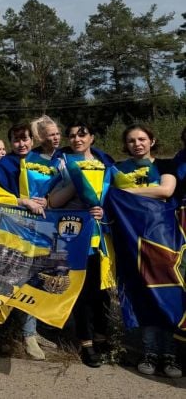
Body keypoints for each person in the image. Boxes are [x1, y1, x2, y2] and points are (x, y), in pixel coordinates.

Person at [112, 125, 181, 378]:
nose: (137, 144)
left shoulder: (165, 165)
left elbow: (166, 191)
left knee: (167, 294)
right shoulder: (117, 168)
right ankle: (149, 352)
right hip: (132, 240)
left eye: (142, 139)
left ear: (152, 140)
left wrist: (125, 193)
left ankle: (170, 354)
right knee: (143, 296)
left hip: (164, 239)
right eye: (131, 140)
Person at [0, 124, 58, 360]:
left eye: (25, 139)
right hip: (14, 229)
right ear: (10, 143)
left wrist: (48, 201)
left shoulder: (42, 160)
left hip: (42, 229)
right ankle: (24, 335)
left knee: (37, 279)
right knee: (19, 280)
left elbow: (58, 187)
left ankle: (32, 331)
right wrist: (22, 201)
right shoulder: (4, 165)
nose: (22, 144)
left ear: (32, 139)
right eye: (16, 140)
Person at [46, 123, 114, 367]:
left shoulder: (106, 164)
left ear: (92, 137)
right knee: (81, 292)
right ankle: (85, 343)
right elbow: (52, 201)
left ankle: (102, 337)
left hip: (102, 238)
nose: (76, 138)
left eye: (82, 134)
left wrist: (103, 209)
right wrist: (77, 180)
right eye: (72, 135)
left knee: (102, 291)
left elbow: (117, 198)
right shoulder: (63, 165)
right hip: (73, 239)